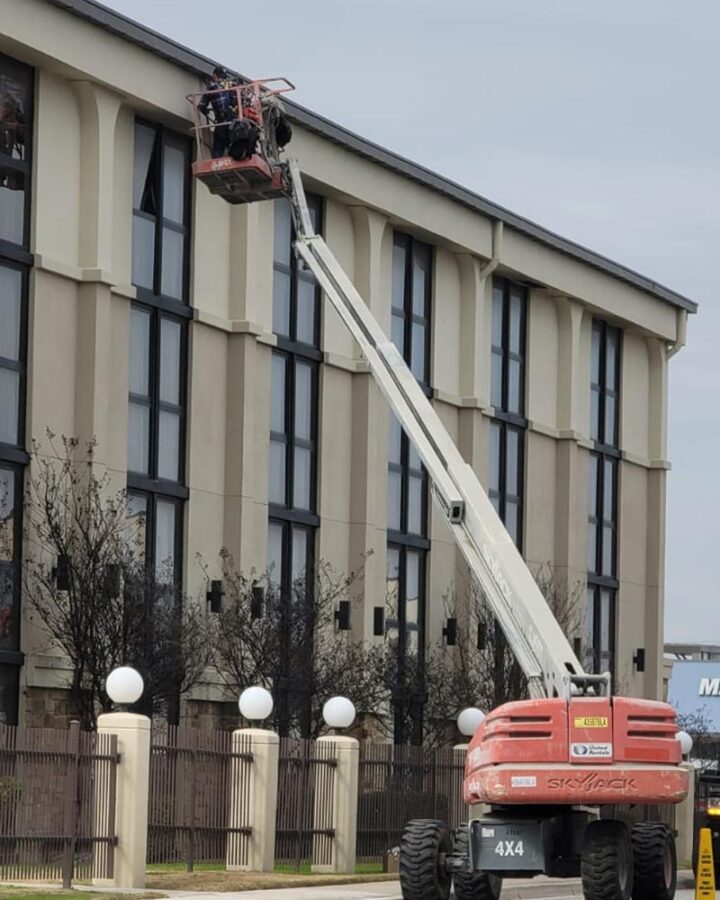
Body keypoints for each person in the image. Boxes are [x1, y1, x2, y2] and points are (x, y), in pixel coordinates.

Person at [198, 66, 238, 159]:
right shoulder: (232, 85)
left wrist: (205, 111)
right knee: (231, 144)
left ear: (214, 75)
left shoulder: (212, 86)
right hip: (233, 121)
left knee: (218, 147)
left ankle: (216, 162)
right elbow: (234, 102)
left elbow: (202, 105)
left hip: (221, 120)